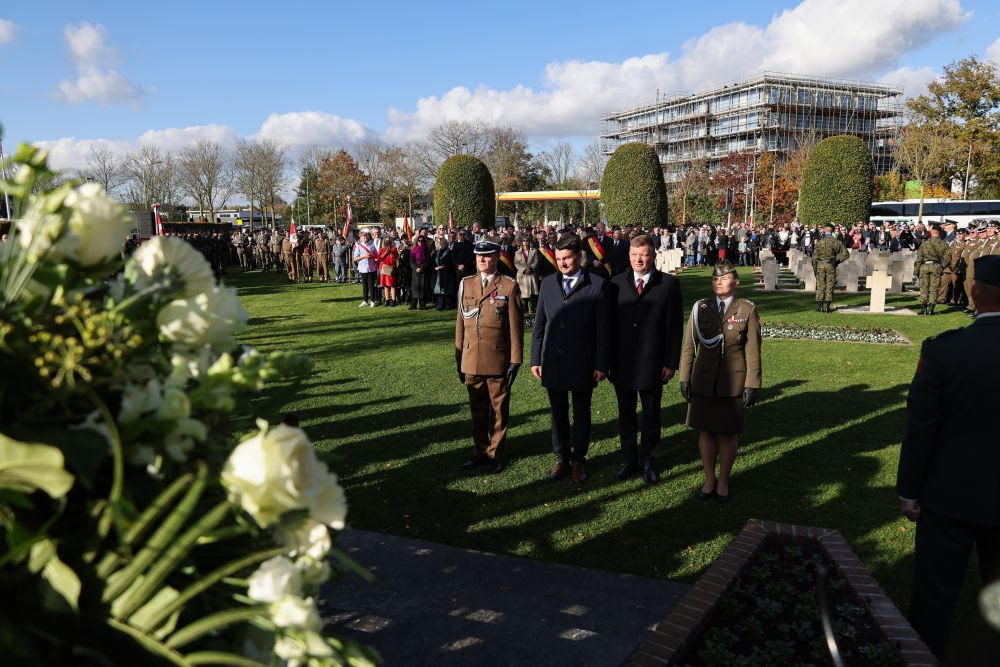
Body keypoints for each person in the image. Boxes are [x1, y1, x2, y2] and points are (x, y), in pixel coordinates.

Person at [895, 255, 1000, 659]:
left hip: (948, 493)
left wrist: (909, 490)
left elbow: (922, 429)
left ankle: (924, 654)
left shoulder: (944, 352)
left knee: (934, 595)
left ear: (974, 294)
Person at [530, 235, 611, 484]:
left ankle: (578, 460)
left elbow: (603, 330)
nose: (563, 263)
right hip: (552, 360)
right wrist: (535, 358)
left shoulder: (597, 284)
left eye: (567, 258)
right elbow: (540, 324)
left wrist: (601, 364)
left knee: (581, 413)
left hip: (583, 361)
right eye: (559, 259)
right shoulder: (547, 284)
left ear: (578, 257)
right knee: (557, 413)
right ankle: (561, 458)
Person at [678, 261, 762, 502]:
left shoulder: (746, 309)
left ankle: (723, 480)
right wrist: (685, 377)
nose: (718, 282)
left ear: (736, 282)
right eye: (715, 279)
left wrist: (752, 384)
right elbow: (688, 346)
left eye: (724, 279)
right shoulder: (700, 307)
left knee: (726, 434)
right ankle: (709, 478)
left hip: (733, 382)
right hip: (703, 380)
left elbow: (753, 351)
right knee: (705, 432)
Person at [609, 235, 683, 484]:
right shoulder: (616, 283)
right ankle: (628, 461)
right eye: (634, 255)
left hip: (653, 363)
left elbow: (674, 328)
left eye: (643, 254)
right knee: (626, 416)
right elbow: (608, 328)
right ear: (628, 256)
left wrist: (671, 362)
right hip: (622, 363)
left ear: (653, 256)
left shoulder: (669, 285)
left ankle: (648, 461)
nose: (638, 259)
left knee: (651, 417)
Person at [455, 240, 524, 473]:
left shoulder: (508, 286)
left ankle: (495, 453)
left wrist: (515, 360)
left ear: (496, 258)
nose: (482, 261)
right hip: (471, 359)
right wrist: (458, 357)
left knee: (498, 410)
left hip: (497, 360)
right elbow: (460, 325)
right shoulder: (465, 284)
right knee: (477, 410)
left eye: (487, 256)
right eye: (478, 257)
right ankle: (479, 451)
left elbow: (516, 327)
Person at [811, 223, 848, 312]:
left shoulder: (819, 242)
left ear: (824, 230)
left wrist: (815, 269)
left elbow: (814, 258)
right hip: (831, 265)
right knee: (829, 285)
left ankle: (820, 307)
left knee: (820, 285)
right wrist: (837, 261)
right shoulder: (837, 242)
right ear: (833, 230)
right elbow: (845, 254)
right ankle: (827, 307)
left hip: (820, 265)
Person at [915, 225, 950, 315]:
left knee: (924, 288)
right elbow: (948, 258)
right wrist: (942, 266)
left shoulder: (925, 243)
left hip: (924, 266)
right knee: (934, 289)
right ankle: (931, 310)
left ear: (932, 231)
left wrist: (916, 271)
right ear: (939, 232)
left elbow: (919, 258)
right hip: (936, 266)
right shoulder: (944, 244)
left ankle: (923, 310)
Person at [513, 235, 540, 315]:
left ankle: (530, 309)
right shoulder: (517, 252)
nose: (525, 241)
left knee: (531, 293)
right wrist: (524, 270)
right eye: (524, 240)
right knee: (522, 293)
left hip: (531, 274)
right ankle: (523, 308)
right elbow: (516, 263)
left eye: (527, 240)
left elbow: (536, 261)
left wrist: (531, 269)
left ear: (529, 242)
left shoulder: (534, 251)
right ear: (522, 242)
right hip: (522, 275)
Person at [352, 230, 379, 308]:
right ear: (360, 238)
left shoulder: (371, 245)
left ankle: (373, 301)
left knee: (371, 285)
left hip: (371, 268)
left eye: (366, 236)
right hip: (363, 268)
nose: (366, 237)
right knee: (365, 285)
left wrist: (373, 257)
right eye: (364, 236)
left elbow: (376, 255)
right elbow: (355, 258)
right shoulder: (359, 246)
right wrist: (364, 256)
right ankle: (365, 300)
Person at [431, 236, 457, 310]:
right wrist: (435, 267)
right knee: (438, 290)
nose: (443, 244)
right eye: (441, 243)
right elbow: (432, 262)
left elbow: (452, 263)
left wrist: (443, 267)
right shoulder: (436, 253)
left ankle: (448, 305)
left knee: (447, 290)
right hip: (438, 274)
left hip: (447, 274)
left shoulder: (450, 252)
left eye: (444, 243)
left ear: (447, 244)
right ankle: (440, 305)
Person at [408, 236, 432, 310]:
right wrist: (415, 268)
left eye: (422, 241)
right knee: (414, 288)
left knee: (423, 288)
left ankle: (422, 305)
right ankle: (413, 304)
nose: (420, 242)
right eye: (419, 241)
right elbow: (411, 261)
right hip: (415, 271)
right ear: (416, 241)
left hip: (423, 270)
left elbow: (428, 261)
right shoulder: (414, 250)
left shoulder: (427, 250)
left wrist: (421, 267)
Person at [377, 238, 399, 307]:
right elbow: (379, 258)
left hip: (391, 270)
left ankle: (393, 300)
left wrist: (391, 253)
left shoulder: (394, 249)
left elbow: (395, 259)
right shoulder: (381, 250)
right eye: (386, 241)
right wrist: (386, 252)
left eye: (388, 241)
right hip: (383, 270)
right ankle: (387, 300)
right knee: (385, 286)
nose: (387, 243)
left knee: (392, 285)